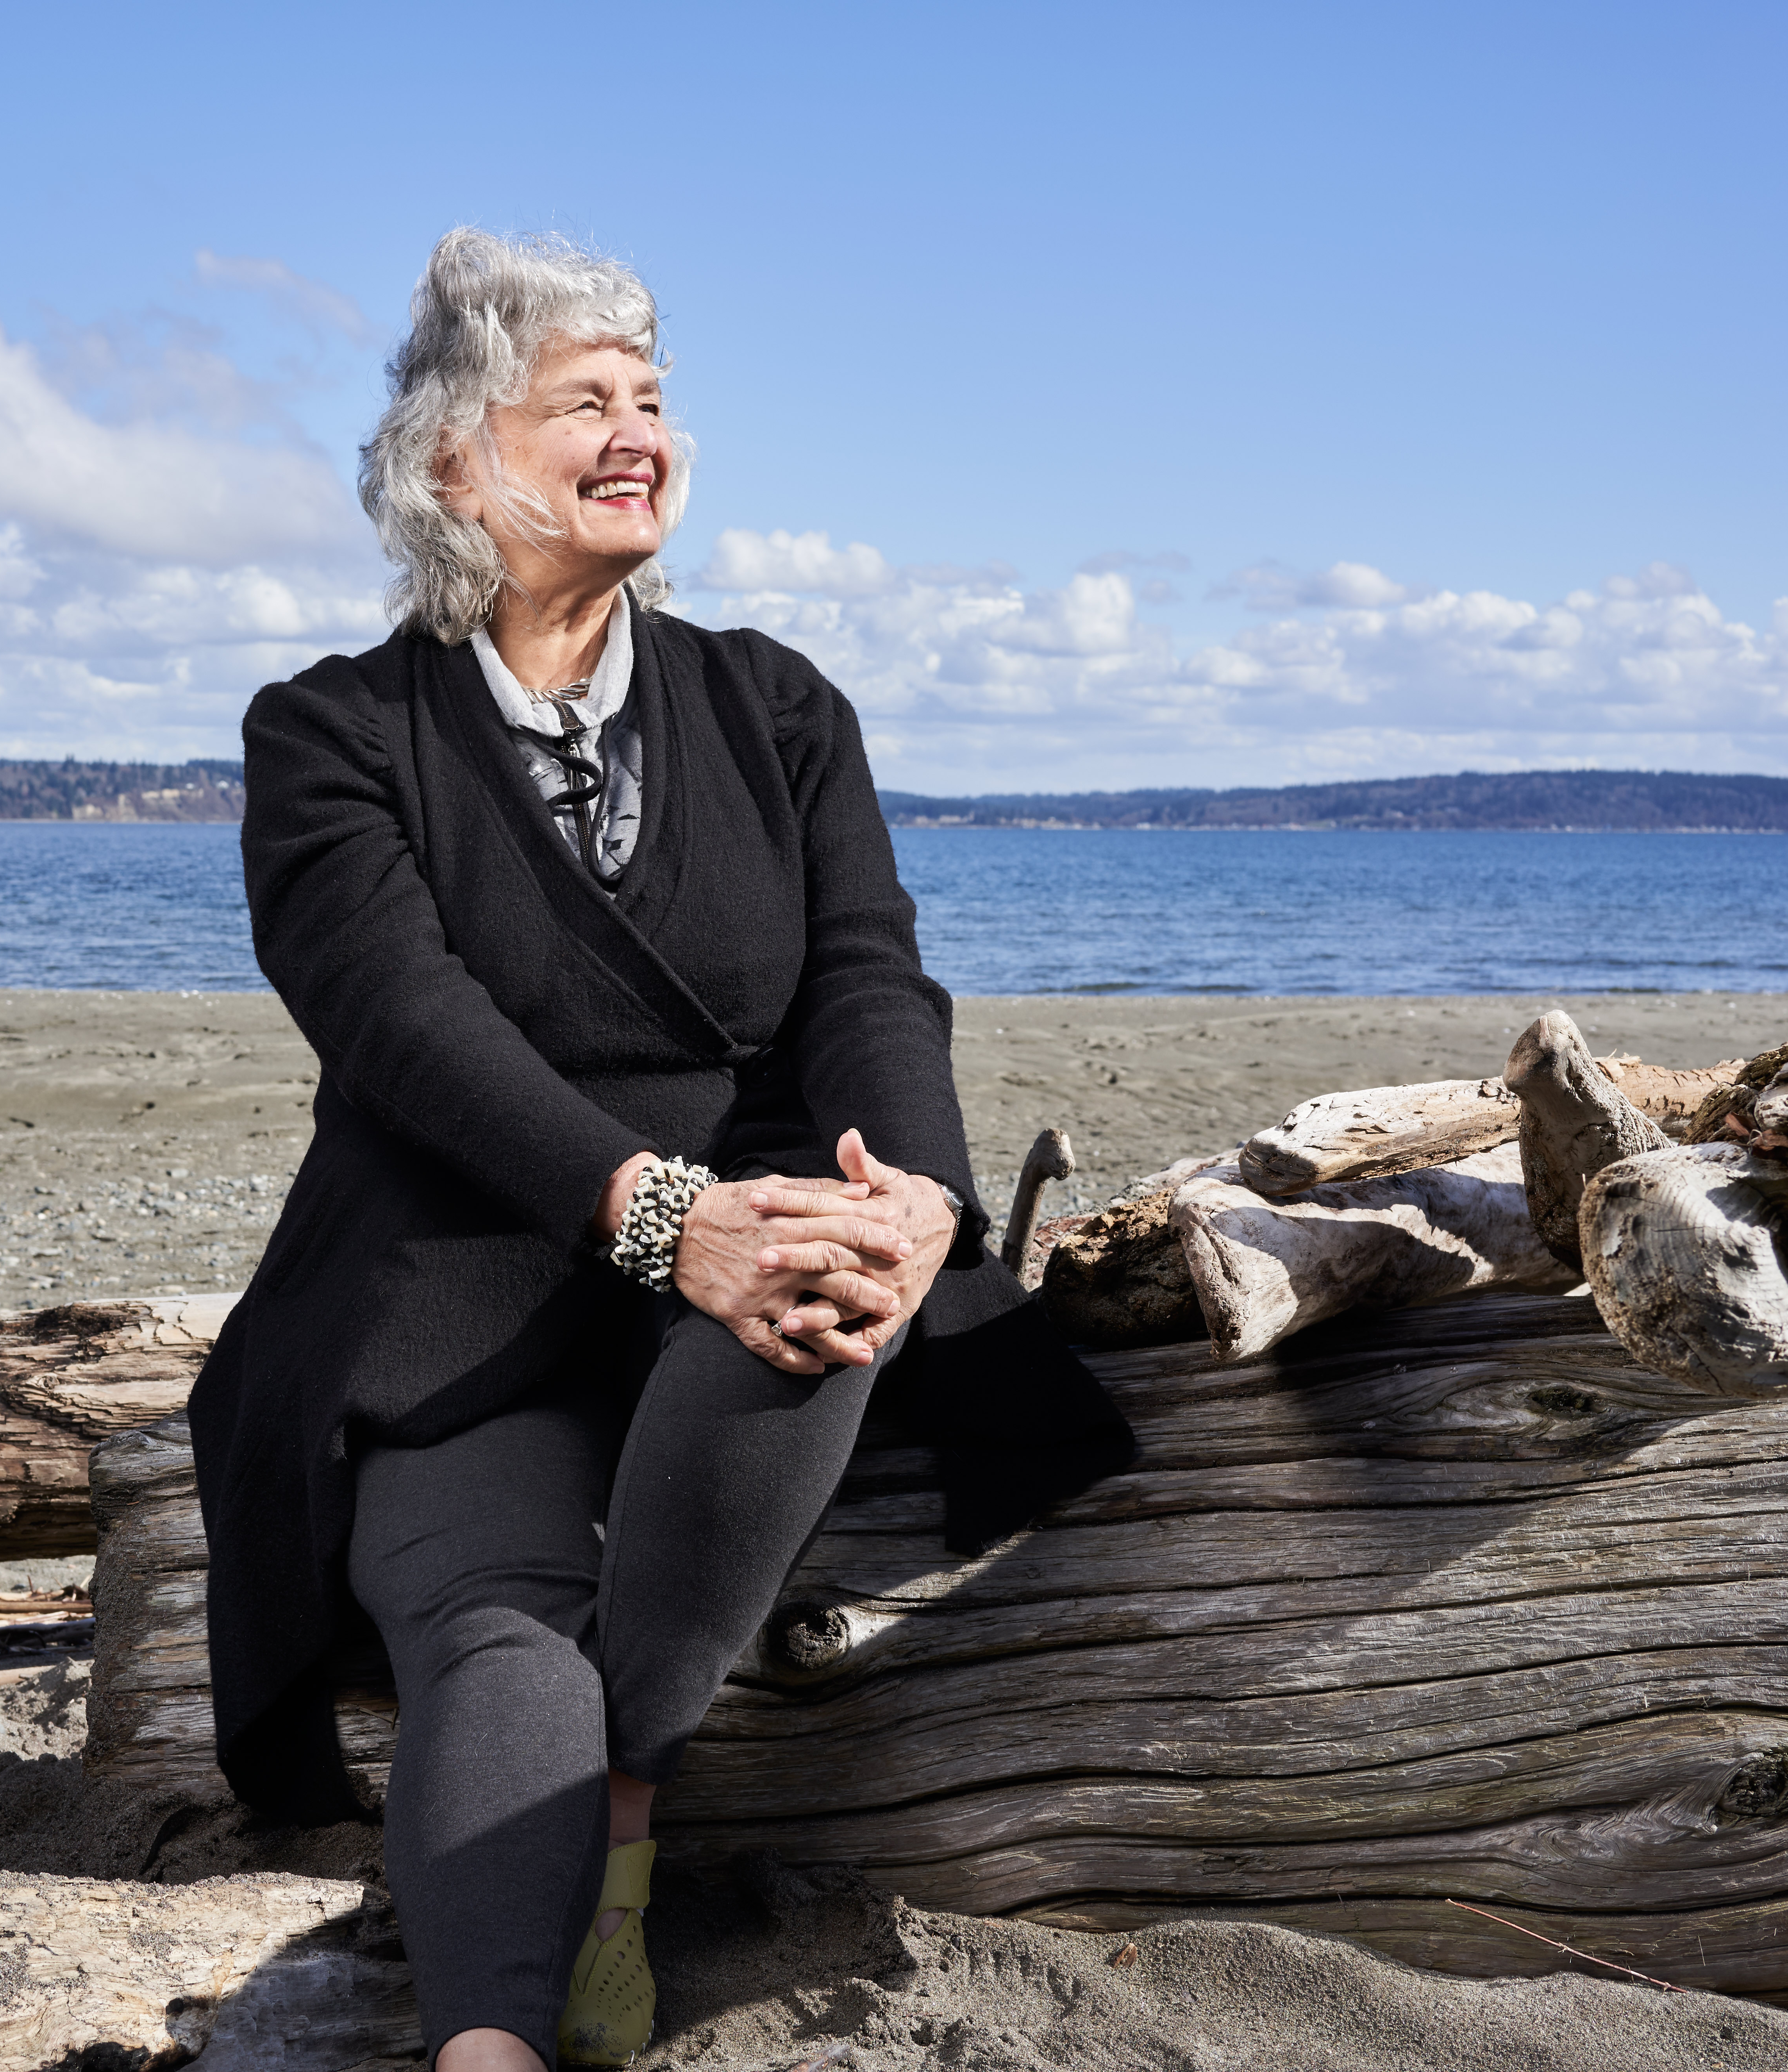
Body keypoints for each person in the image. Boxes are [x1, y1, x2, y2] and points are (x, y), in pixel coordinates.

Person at [189, 227, 1135, 2071]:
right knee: (487, 1626)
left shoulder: (774, 706)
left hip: (754, 1229)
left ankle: (625, 1787)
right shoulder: (328, 736)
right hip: (449, 1274)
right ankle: (488, 2046)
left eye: (653, 400)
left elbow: (869, 976)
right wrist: (655, 1219)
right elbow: (401, 1027)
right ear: (452, 467)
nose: (637, 436)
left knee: (816, 1295)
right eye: (581, 404)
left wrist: (912, 1190)